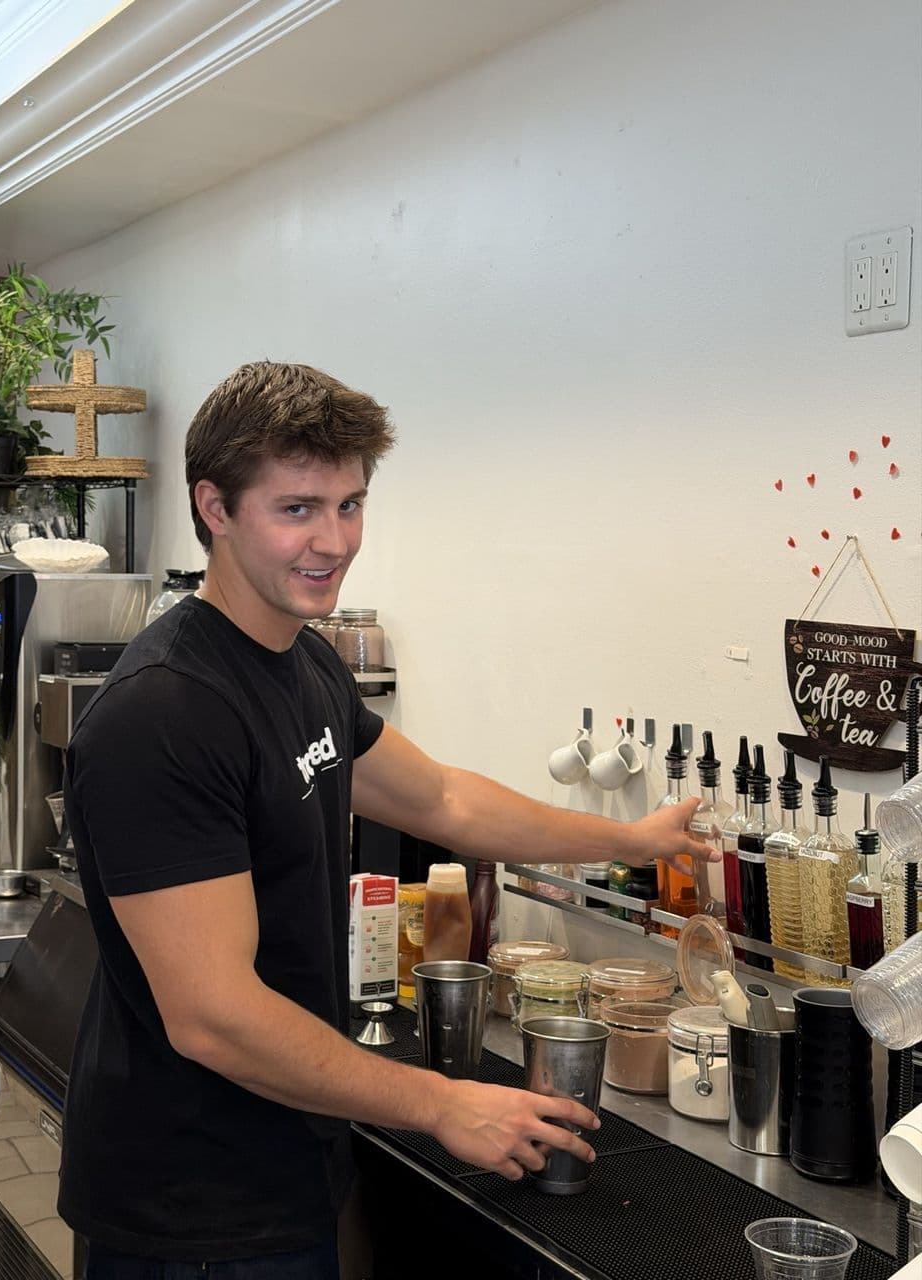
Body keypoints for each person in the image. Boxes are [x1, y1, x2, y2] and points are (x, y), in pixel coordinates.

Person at [59, 362, 717, 1279]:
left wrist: (632, 841)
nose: (333, 541)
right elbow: (214, 1017)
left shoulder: (304, 664)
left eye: (350, 505)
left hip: (288, 1160)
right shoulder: (165, 712)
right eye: (297, 509)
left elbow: (443, 799)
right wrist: (441, 1104)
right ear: (215, 508)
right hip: (189, 1208)